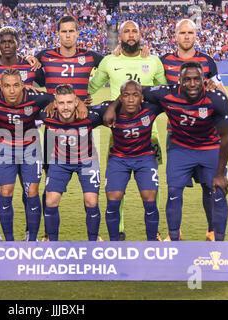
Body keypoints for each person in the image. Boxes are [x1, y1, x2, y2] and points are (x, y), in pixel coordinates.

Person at [88, 20, 167, 241]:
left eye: (134, 31)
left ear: (141, 35)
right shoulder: (109, 61)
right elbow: (91, 87)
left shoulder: (152, 61)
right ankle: (119, 230)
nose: (131, 35)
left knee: (152, 186)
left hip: (148, 133)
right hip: (117, 133)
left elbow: (165, 90)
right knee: (116, 187)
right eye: (126, 32)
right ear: (119, 36)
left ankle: (155, 232)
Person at [143, 62, 228, 241]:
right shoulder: (166, 93)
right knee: (174, 192)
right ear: (179, 81)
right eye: (187, 80)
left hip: (210, 147)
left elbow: (227, 137)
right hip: (180, 148)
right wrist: (113, 108)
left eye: (196, 79)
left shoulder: (217, 99)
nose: (192, 84)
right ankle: (174, 238)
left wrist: (220, 172)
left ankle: (219, 243)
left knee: (218, 190)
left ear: (204, 80)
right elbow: (136, 89)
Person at [34, 15, 104, 241]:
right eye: (63, 31)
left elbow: (115, 64)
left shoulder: (90, 57)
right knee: (50, 183)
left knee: (90, 194)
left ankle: (93, 238)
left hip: (83, 126)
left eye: (71, 31)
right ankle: (48, 235)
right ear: (58, 34)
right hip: (53, 127)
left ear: (77, 33)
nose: (67, 35)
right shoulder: (44, 56)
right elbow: (18, 69)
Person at [160, 18, 228, 241]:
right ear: (176, 36)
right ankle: (174, 234)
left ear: (195, 35)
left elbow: (220, 90)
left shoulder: (207, 61)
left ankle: (212, 231)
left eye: (190, 33)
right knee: (174, 189)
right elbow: (157, 90)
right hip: (177, 135)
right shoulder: (163, 62)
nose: (187, 36)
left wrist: (220, 98)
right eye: (183, 33)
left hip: (208, 136)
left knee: (211, 188)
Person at [0, 26, 45, 242]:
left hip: (27, 133)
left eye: (11, 41)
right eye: (3, 42)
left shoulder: (30, 66)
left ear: (18, 43)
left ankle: (29, 232)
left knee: (29, 185)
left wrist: (35, 60)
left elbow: (45, 85)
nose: (7, 45)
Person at [0, 69, 57, 241]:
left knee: (31, 192)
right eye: (7, 86)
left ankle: (32, 240)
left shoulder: (36, 97)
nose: (12, 90)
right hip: (4, 148)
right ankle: (9, 242)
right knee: (5, 192)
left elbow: (57, 98)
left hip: (30, 148)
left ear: (23, 86)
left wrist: (57, 102)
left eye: (16, 85)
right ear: (1, 87)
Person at [40, 84, 107, 241]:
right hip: (60, 161)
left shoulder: (91, 116)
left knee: (91, 201)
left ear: (77, 102)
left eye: (69, 102)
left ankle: (93, 240)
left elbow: (111, 105)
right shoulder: (46, 116)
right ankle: (52, 241)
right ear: (55, 104)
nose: (65, 107)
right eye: (61, 103)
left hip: (87, 161)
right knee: (50, 200)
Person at [103, 80, 162, 241]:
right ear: (120, 98)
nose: (130, 100)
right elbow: (87, 113)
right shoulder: (109, 111)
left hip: (145, 157)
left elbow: (170, 95)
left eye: (135, 95)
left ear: (142, 97)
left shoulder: (151, 109)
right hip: (119, 158)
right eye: (126, 95)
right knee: (113, 198)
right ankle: (114, 243)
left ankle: (152, 241)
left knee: (149, 197)